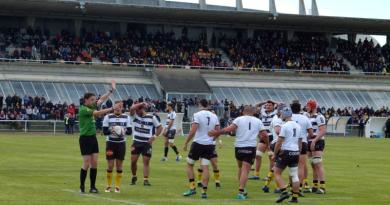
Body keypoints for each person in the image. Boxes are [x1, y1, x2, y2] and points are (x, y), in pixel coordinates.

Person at [209, 106, 268, 200]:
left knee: (240, 167)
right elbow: (264, 134)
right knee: (245, 170)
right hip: (250, 147)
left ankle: (242, 188)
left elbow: (229, 129)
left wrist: (217, 132)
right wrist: (267, 143)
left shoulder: (239, 119)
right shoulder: (258, 121)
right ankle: (241, 191)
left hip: (238, 148)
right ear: (253, 112)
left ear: (243, 112)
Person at [78, 80, 119, 194]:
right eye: (91, 100)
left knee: (94, 162)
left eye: (94, 100)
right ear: (85, 100)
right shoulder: (83, 109)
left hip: (92, 138)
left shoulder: (91, 106)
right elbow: (97, 113)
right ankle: (82, 186)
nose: (94, 101)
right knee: (86, 163)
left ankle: (92, 187)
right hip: (85, 138)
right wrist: (112, 109)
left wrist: (111, 91)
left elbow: (102, 99)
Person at [182, 99, 220, 199]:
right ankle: (204, 192)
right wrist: (212, 139)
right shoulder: (214, 116)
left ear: (200, 105)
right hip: (209, 145)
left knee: (190, 164)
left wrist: (186, 142)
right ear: (208, 105)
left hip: (198, 143)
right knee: (205, 167)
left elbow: (193, 129)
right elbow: (218, 131)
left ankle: (192, 188)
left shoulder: (197, 114)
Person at [129, 102, 163, 186]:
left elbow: (160, 127)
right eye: (135, 111)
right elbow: (131, 109)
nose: (135, 112)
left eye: (137, 110)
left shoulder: (152, 117)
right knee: (133, 161)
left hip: (146, 143)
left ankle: (146, 180)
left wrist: (154, 137)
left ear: (142, 110)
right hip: (136, 142)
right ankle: (134, 176)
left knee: (146, 162)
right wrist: (141, 103)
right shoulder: (135, 116)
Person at [273, 107, 302, 203]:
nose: (280, 115)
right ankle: (295, 197)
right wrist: (298, 152)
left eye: (281, 114)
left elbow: (279, 141)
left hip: (286, 151)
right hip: (296, 152)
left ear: (285, 115)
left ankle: (284, 191)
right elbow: (300, 141)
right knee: (294, 175)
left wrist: (275, 153)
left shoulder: (284, 126)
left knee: (276, 172)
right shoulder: (298, 126)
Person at [102, 101, 132, 193]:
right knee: (110, 165)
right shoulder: (108, 117)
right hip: (110, 143)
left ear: (122, 107)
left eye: (120, 106)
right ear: (114, 107)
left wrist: (122, 132)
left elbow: (130, 132)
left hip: (121, 144)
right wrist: (114, 130)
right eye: (116, 106)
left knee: (119, 166)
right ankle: (108, 186)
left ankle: (117, 187)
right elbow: (105, 132)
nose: (118, 107)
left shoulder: (126, 117)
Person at [250, 100, 278, 181]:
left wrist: (273, 101)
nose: (267, 106)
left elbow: (282, 105)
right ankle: (256, 174)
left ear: (273, 106)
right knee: (258, 155)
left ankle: (269, 176)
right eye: (267, 105)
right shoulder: (263, 112)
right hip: (263, 136)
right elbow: (255, 105)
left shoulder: (276, 113)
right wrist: (265, 102)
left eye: (270, 105)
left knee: (271, 157)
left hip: (271, 137)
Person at [304, 99, 327, 194]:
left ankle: (322, 187)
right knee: (313, 164)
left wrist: (314, 140)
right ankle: (315, 186)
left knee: (318, 163)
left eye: (308, 106)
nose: (306, 107)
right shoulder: (306, 116)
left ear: (313, 107)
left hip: (317, 141)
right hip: (309, 141)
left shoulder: (319, 117)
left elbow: (323, 130)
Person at [262, 104, 286, 193]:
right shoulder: (277, 119)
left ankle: (266, 185)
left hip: (277, 143)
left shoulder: (280, 118)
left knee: (277, 166)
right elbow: (277, 131)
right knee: (278, 167)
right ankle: (278, 187)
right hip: (278, 143)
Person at [291, 100, 313, 194]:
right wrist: (305, 138)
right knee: (301, 166)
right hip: (302, 142)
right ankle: (299, 187)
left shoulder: (288, 118)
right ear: (300, 109)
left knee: (292, 167)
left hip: (290, 144)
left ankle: (291, 186)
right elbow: (311, 133)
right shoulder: (305, 118)